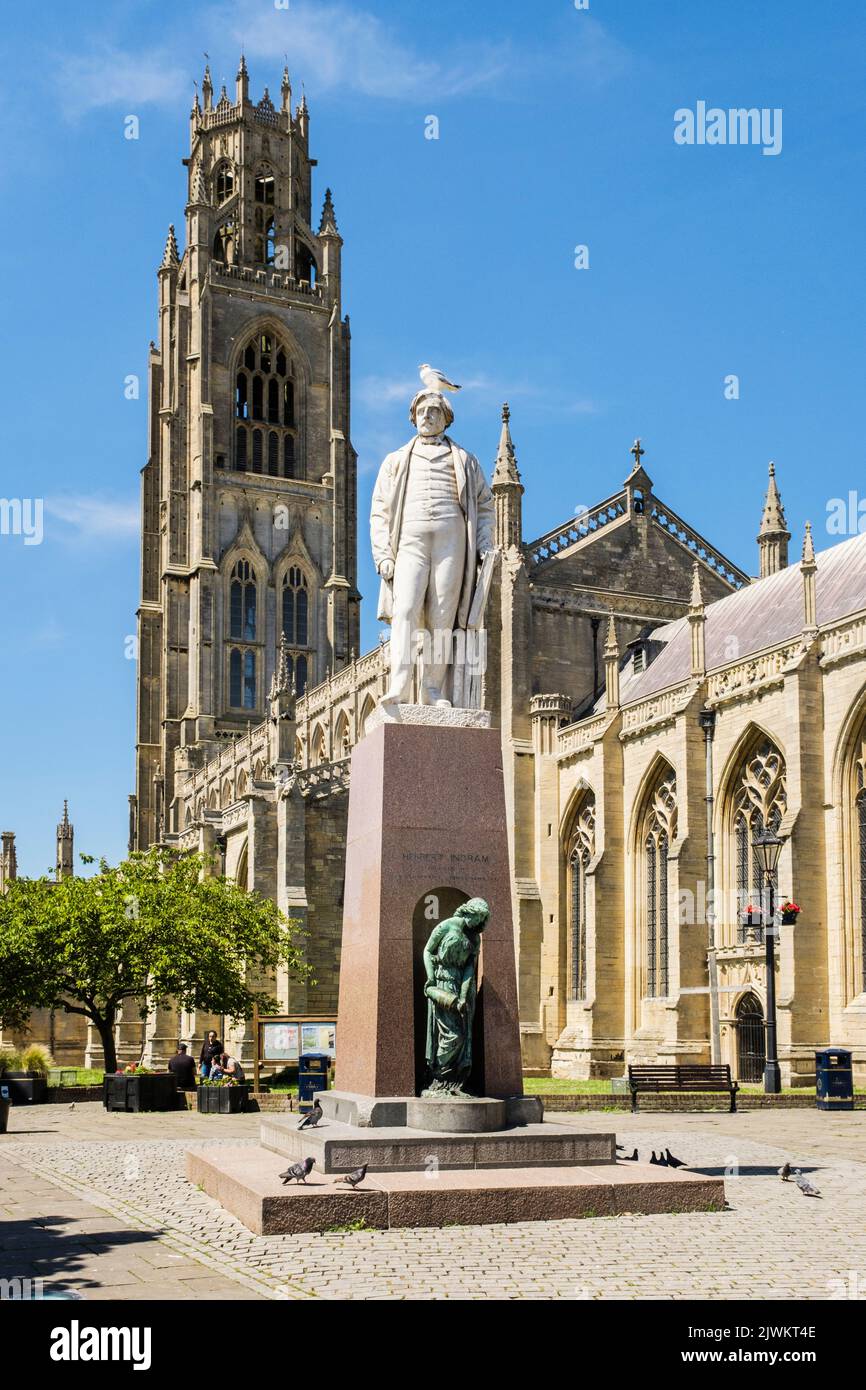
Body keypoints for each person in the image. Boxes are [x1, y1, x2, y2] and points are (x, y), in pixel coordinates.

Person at [370, 388, 494, 709]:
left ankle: (432, 688)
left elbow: (485, 505)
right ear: (413, 417)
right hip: (410, 541)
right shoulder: (396, 460)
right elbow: (380, 511)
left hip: (451, 542)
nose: (427, 416)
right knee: (406, 610)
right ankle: (399, 683)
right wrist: (383, 554)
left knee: (443, 617)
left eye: (434, 411)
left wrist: (483, 545)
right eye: (422, 411)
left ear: (446, 419)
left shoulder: (465, 460)